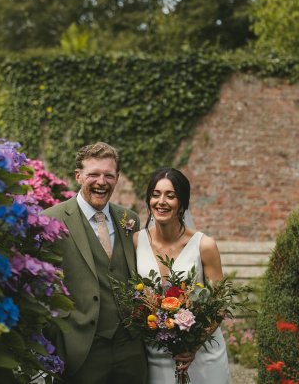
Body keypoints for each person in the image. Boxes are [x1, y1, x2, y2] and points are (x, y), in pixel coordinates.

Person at [44, 142, 148, 384]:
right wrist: (60, 338)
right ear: (79, 176)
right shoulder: (52, 220)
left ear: (117, 178)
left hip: (130, 348)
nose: (101, 182)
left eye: (108, 175)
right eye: (94, 174)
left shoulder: (128, 219)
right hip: (82, 347)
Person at [134, 167, 230, 384]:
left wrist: (193, 346)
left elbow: (221, 303)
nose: (161, 201)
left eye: (171, 195)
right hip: (156, 353)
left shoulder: (204, 245)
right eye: (156, 194)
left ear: (182, 203)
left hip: (203, 354)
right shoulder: (136, 242)